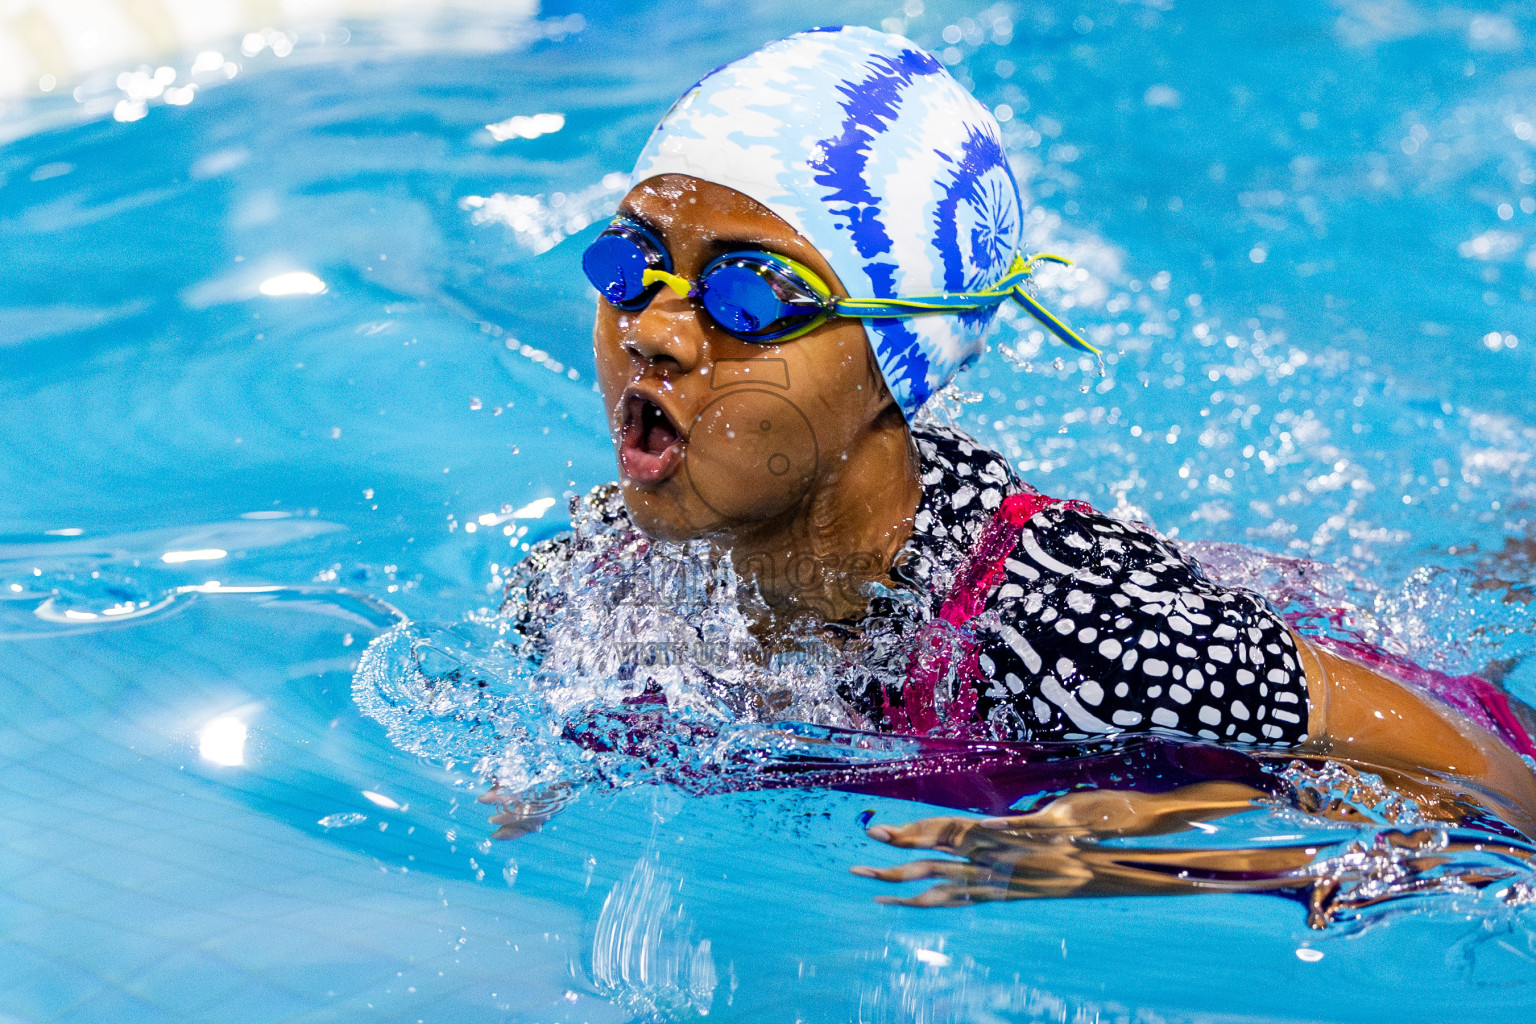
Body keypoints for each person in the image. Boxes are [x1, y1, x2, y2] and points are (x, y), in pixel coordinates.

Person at [485, 26, 1536, 881]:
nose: (657, 330)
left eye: (750, 293)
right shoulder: (591, 587)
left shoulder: (1078, 630)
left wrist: (1159, 852)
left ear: (899, 360)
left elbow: (1498, 793)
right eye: (631, 263)